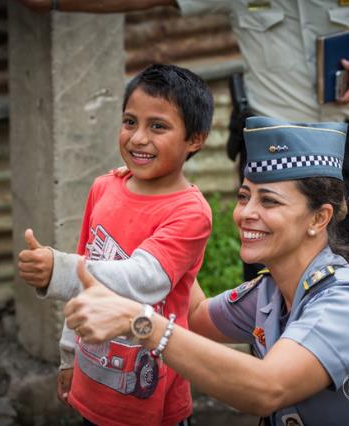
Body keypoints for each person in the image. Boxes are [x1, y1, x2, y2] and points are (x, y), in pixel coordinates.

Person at [64, 116, 349, 425]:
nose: (245, 213)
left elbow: (266, 389)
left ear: (319, 218)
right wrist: (163, 214)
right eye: (244, 196)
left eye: (268, 201)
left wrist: (140, 322)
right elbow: (193, 316)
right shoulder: (269, 293)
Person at [15, 0, 349, 276]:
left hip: (342, 146)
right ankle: (269, 384)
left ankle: (339, 390)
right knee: (264, 275)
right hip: (272, 149)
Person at [17, 64, 214, 426]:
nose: (138, 138)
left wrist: (59, 270)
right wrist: (68, 357)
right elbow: (86, 283)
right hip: (93, 377)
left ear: (195, 139)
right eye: (129, 122)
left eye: (158, 126)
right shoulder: (103, 188)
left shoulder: (190, 213)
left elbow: (144, 279)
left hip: (150, 391)